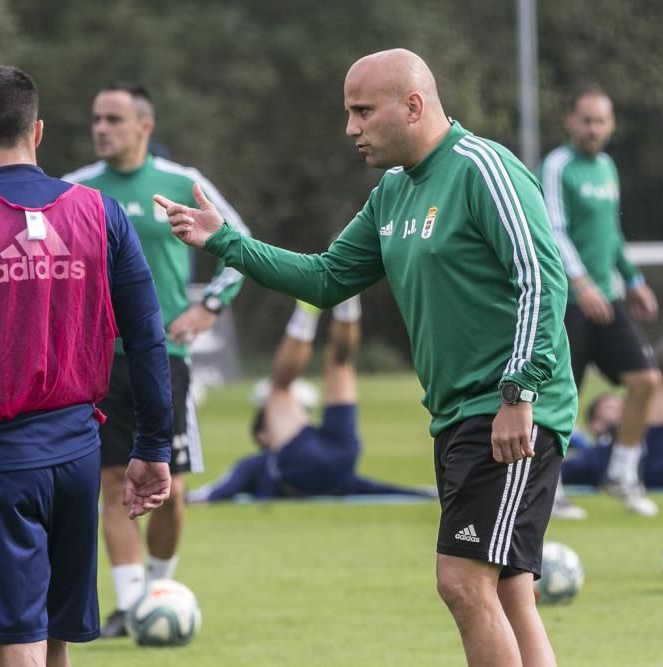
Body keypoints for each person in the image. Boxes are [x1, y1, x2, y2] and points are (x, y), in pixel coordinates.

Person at [157, 48, 576, 667]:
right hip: (458, 415)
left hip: (506, 410)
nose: (351, 128)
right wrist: (225, 241)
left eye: (361, 111)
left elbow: (543, 280)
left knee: (462, 582)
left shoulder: (483, 168)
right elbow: (326, 278)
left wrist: (520, 393)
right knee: (509, 589)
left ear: (413, 105)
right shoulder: (392, 194)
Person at [0, 66, 173, 667]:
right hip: (77, 457)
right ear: (39, 131)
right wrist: (154, 446)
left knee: (17, 646)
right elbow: (149, 340)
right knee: (54, 641)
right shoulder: (101, 214)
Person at [62, 82, 250, 638]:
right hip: (97, 363)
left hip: (164, 358)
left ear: (144, 125)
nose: (102, 128)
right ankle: (130, 606)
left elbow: (238, 243)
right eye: (97, 118)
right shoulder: (74, 190)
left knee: (171, 490)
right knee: (114, 481)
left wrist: (209, 306)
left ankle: (160, 585)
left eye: (114, 119)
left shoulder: (179, 181)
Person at [540, 85, 661, 517]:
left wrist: (632, 280)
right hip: (571, 301)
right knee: (560, 396)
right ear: (571, 121)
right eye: (586, 120)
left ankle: (623, 474)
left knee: (646, 380)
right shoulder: (557, 166)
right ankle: (547, 491)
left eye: (601, 121)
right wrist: (581, 283)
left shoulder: (607, 167)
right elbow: (553, 229)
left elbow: (610, 235)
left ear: (611, 125)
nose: (594, 129)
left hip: (607, 299)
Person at [189, 298, 433, 503]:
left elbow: (222, 489)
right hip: (341, 457)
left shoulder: (264, 461)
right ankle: (344, 299)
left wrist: (192, 497)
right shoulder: (269, 459)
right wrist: (421, 494)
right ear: (263, 436)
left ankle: (308, 310)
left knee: (281, 387)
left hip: (323, 460)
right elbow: (373, 488)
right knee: (339, 365)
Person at [561, 392, 663, 489]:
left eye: (621, 405)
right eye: (609, 407)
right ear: (595, 424)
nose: (619, 407)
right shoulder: (591, 456)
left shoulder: (648, 440)